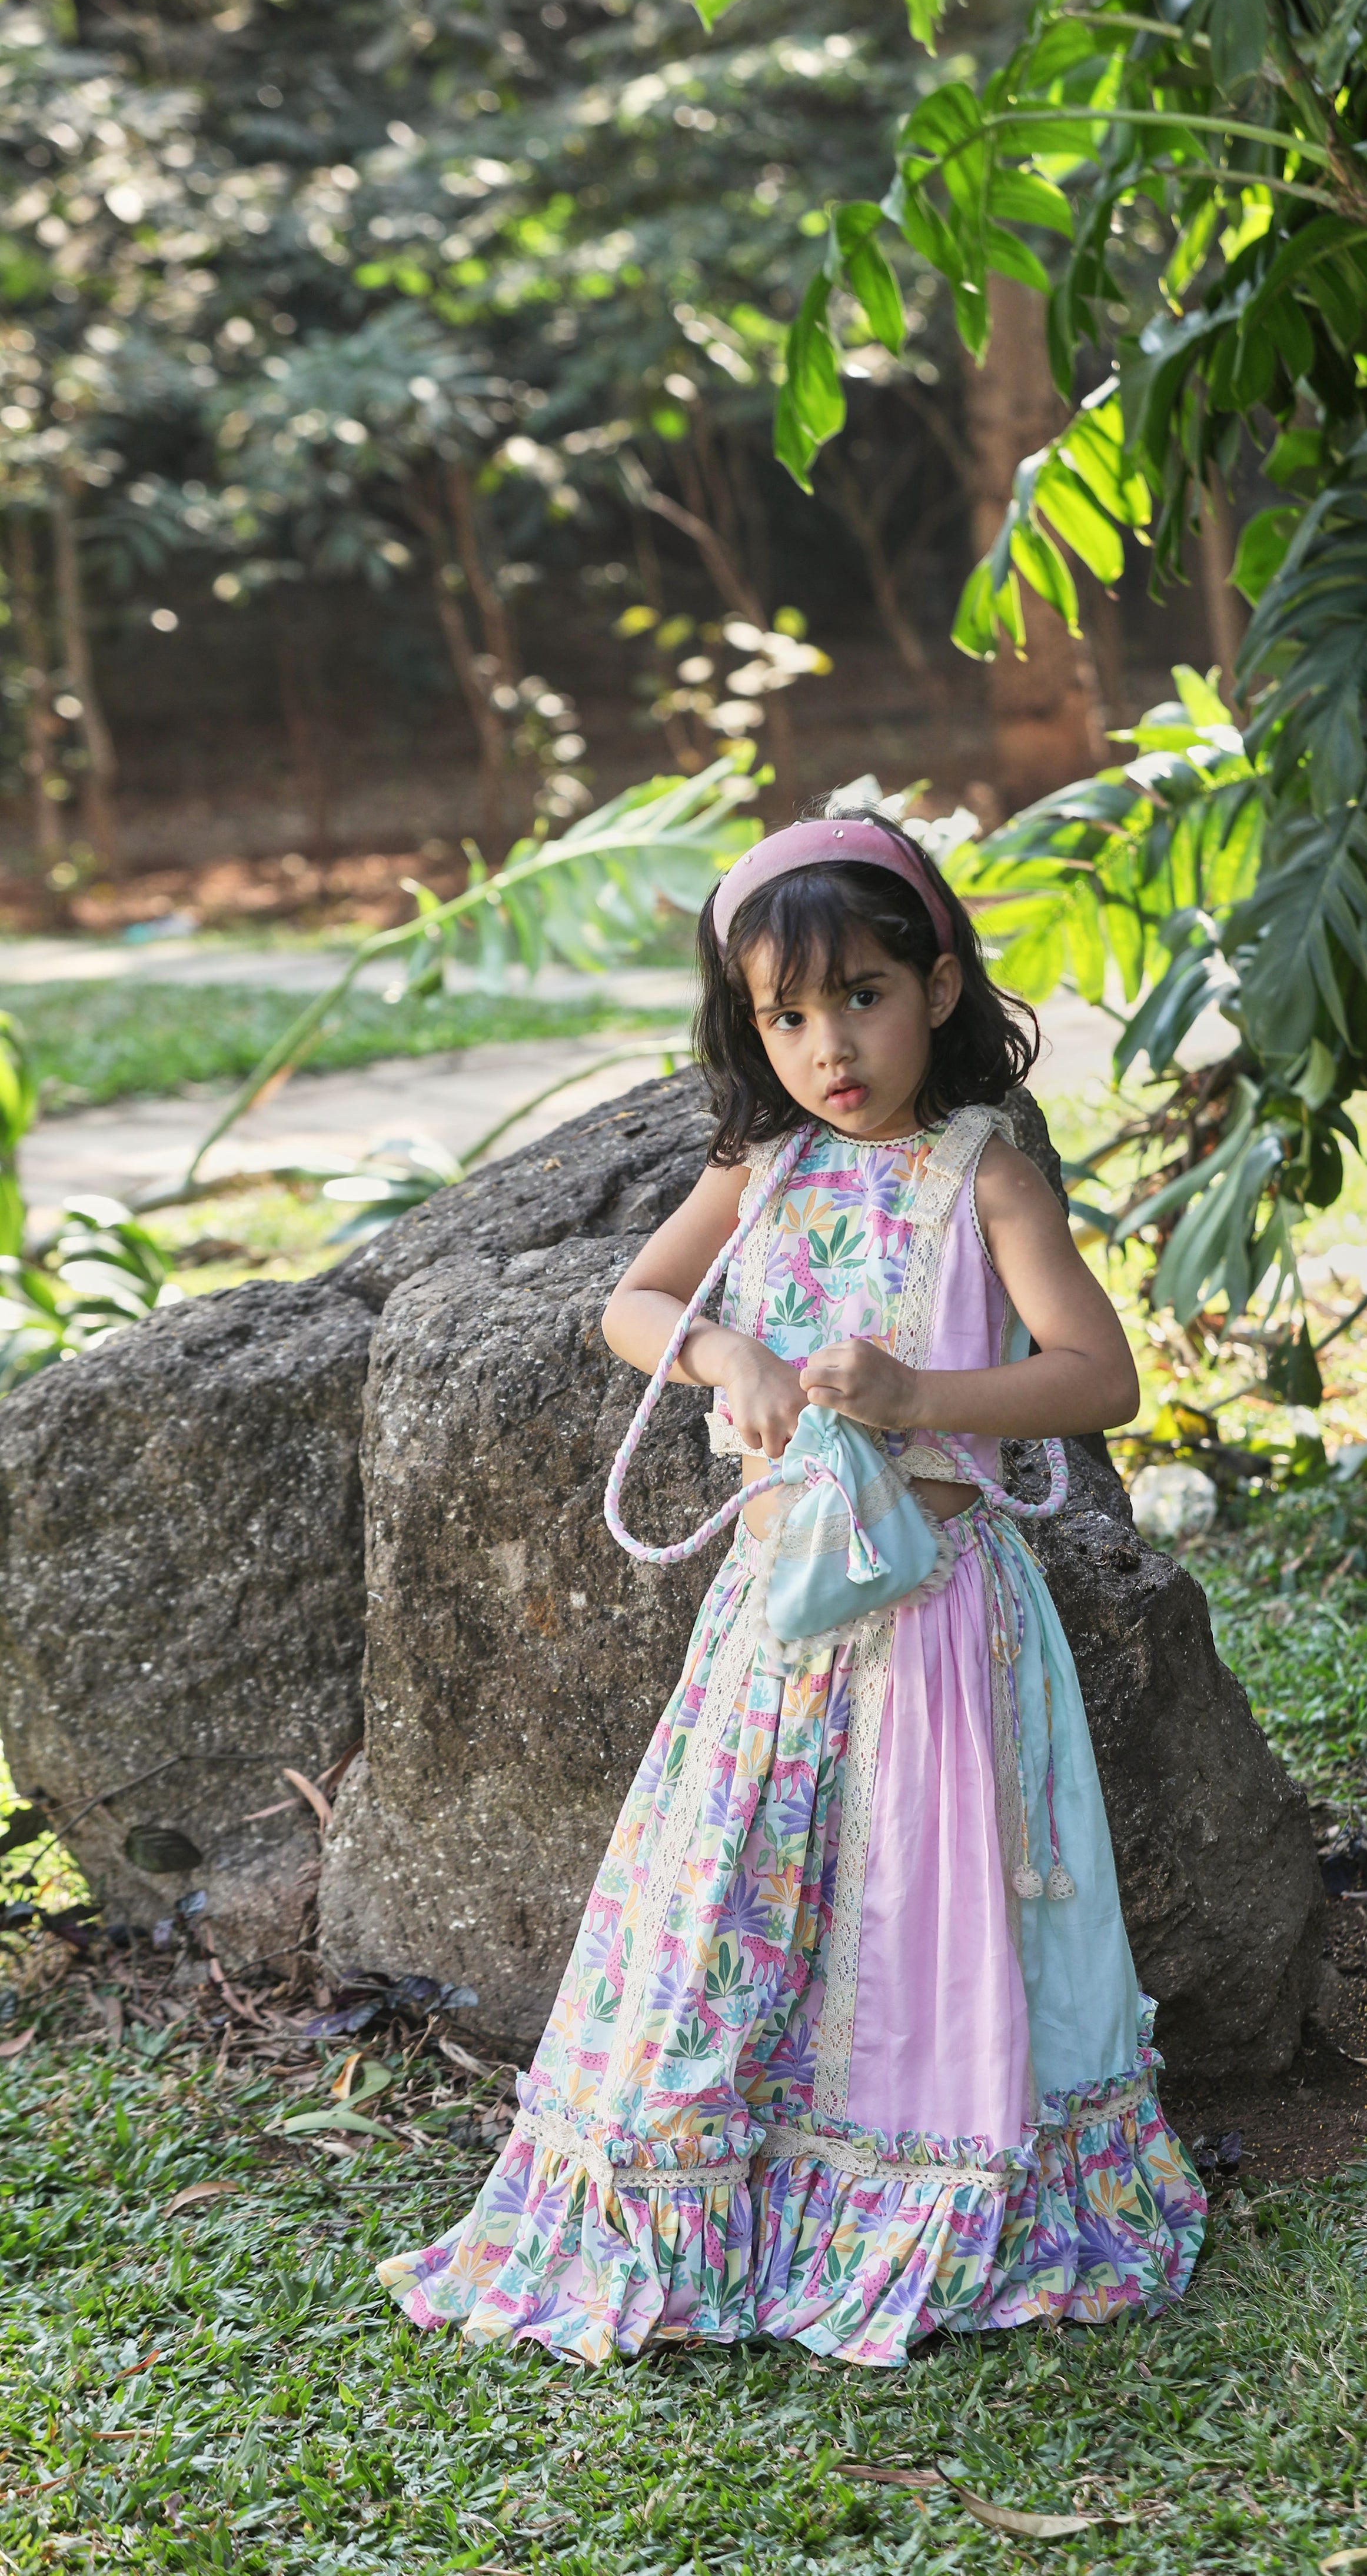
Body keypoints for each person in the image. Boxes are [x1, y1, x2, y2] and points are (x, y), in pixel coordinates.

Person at [377, 803, 1206, 2367]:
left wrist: (917, 1391)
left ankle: (922, 2182)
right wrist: (723, 1349)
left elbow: (1104, 1377)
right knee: (741, 1896)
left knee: (920, 1902)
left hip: (941, 1611)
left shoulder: (985, 1172)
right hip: (777, 1621)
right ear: (753, 1027)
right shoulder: (761, 1167)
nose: (832, 1044)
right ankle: (707, 2179)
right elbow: (632, 1301)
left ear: (939, 987)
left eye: (865, 998)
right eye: (788, 1013)